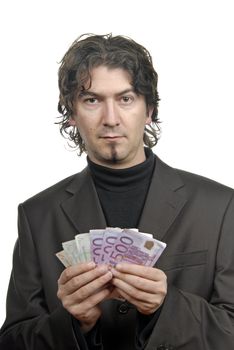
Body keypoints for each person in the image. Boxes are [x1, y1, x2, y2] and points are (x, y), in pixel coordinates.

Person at [0, 33, 234, 350]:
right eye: (92, 100)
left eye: (126, 99)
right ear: (72, 112)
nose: (111, 120)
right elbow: (12, 341)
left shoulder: (220, 207)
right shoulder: (36, 215)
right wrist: (72, 323)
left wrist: (166, 308)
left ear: (148, 109)